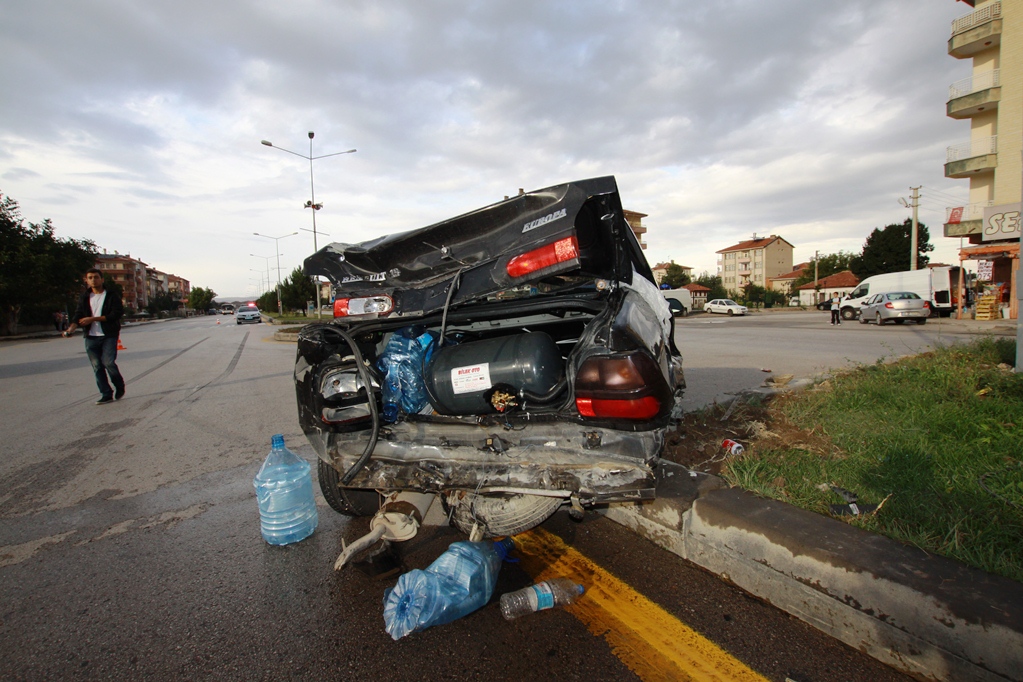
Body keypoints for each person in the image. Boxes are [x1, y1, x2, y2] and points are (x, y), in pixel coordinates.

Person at [64, 268, 126, 405]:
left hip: (108, 334)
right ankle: (106, 394)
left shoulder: (111, 295)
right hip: (91, 336)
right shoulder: (85, 297)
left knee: (108, 363)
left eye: (96, 277)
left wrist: (93, 319)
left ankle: (119, 385)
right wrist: (71, 329)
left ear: (102, 279)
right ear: (87, 280)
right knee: (97, 366)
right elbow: (78, 314)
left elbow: (116, 314)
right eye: (90, 277)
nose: (93, 280)